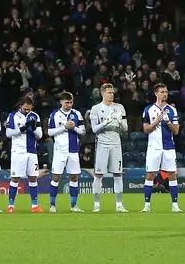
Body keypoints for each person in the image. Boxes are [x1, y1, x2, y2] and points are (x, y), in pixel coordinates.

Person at [87, 82, 128, 213]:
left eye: (113, 92)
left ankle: (119, 205)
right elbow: (94, 129)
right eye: (109, 92)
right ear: (103, 93)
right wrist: (105, 122)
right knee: (98, 175)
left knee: (118, 174)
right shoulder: (96, 109)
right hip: (102, 145)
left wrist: (120, 122)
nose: (112, 94)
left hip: (116, 144)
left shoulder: (120, 107)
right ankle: (96, 204)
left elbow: (126, 129)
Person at [142, 82, 181, 212]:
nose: (165, 94)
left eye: (166, 92)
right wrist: (157, 121)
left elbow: (176, 131)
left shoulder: (172, 110)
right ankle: (146, 205)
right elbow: (146, 129)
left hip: (169, 147)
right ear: (156, 93)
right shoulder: (148, 109)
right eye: (162, 92)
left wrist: (168, 121)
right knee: (150, 174)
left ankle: (175, 205)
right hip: (154, 147)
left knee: (172, 174)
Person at [46, 91, 86, 212]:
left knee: (74, 177)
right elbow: (49, 132)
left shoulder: (77, 114)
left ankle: (74, 205)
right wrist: (64, 127)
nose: (69, 105)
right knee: (56, 177)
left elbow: (83, 131)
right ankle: (52, 205)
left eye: (71, 102)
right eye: (67, 102)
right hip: (60, 150)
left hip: (73, 150)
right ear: (61, 102)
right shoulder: (55, 114)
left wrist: (74, 127)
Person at [5, 95, 43, 213]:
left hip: (31, 151)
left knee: (33, 177)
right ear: (20, 105)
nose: (27, 111)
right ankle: (10, 205)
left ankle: (34, 206)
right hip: (18, 151)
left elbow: (40, 135)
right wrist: (21, 129)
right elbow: (8, 133)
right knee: (15, 177)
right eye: (25, 109)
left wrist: (33, 127)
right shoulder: (13, 116)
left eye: (29, 109)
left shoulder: (35, 116)